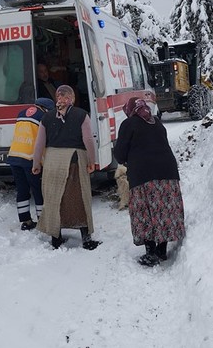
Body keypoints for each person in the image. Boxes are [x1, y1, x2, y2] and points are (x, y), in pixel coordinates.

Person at [113, 97, 186, 267]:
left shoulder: (128, 124)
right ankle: (162, 250)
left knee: (145, 211)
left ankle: (151, 253)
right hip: (168, 172)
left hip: (143, 174)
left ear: (130, 110)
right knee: (163, 210)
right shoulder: (157, 122)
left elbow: (120, 154)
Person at [31, 85, 101, 250]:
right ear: (71, 99)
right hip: (74, 162)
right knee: (79, 198)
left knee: (55, 199)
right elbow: (88, 140)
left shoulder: (46, 117)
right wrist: (92, 161)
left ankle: (56, 238)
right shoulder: (81, 115)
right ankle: (86, 238)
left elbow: (39, 144)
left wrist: (36, 164)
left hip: (52, 163)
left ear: (58, 98)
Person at [6, 97, 54, 230]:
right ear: (45, 109)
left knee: (22, 190)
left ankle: (25, 221)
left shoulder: (22, 113)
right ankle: (42, 221)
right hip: (30, 159)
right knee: (38, 190)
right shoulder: (43, 117)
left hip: (14, 156)